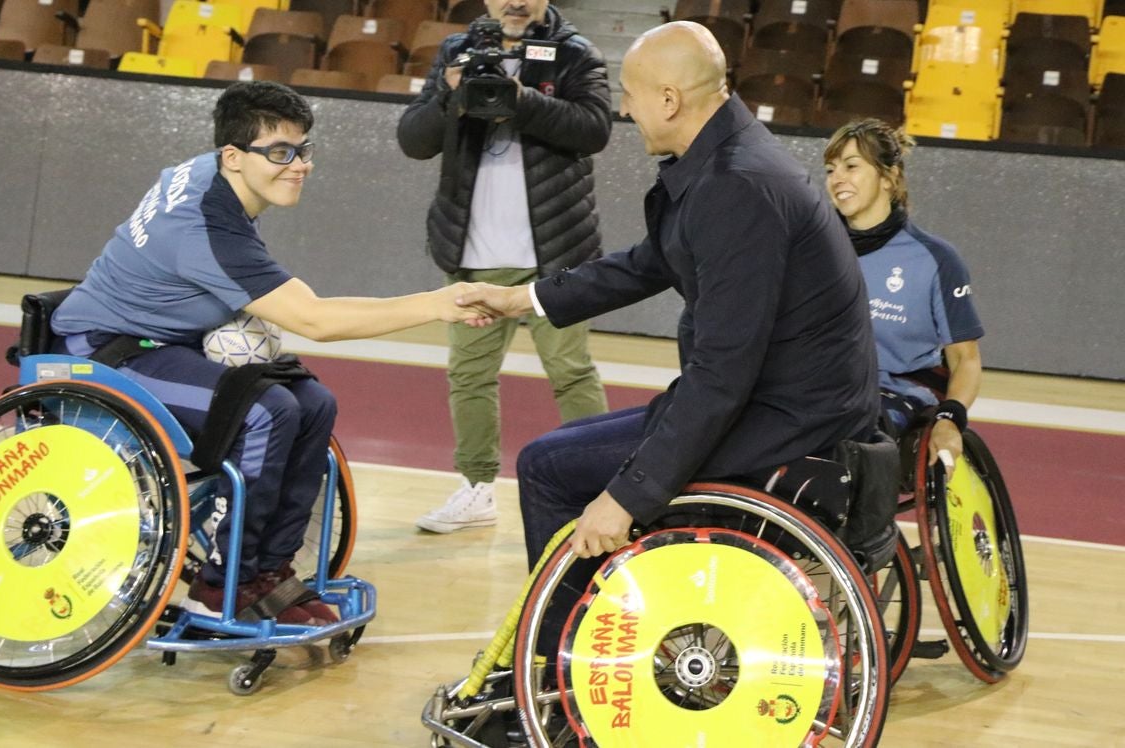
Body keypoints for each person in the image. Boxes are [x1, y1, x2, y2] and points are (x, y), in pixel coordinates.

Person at [51, 81, 487, 626]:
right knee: (266, 410)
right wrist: (436, 303)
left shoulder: (213, 173)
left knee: (314, 401)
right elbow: (316, 321)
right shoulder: (206, 227)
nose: (299, 165)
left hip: (164, 338)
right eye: (280, 153)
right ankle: (223, 584)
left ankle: (269, 567)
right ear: (233, 156)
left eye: (304, 149)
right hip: (104, 350)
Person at [455, 21, 882, 572]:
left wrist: (628, 495)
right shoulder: (730, 156)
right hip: (792, 398)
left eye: (630, 96)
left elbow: (724, 371)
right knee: (565, 441)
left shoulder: (736, 187)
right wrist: (521, 299)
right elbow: (649, 262)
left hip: (793, 419)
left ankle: (566, 643)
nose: (625, 111)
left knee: (548, 466)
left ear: (669, 99)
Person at [397, 0, 611, 534]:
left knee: (569, 372)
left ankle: (603, 488)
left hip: (554, 252)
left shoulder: (576, 54)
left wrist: (521, 101)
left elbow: (594, 129)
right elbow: (414, 140)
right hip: (473, 251)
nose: (513, 2)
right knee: (469, 375)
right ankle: (476, 488)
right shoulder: (455, 51)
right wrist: (449, 94)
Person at [823, 119, 983, 476]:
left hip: (891, 400)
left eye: (851, 166)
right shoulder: (812, 250)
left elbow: (965, 359)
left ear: (888, 177)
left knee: (848, 434)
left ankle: (865, 533)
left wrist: (950, 418)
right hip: (820, 388)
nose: (837, 179)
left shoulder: (935, 260)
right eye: (831, 169)